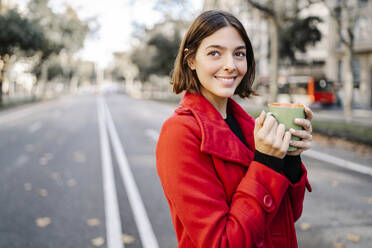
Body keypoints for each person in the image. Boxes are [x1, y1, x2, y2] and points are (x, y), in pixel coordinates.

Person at [156, 10, 313, 248]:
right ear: (191, 60)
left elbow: (286, 216)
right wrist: (267, 162)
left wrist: (290, 156)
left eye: (239, 54)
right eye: (215, 53)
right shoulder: (179, 133)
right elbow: (222, 243)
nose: (230, 65)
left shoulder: (250, 125)